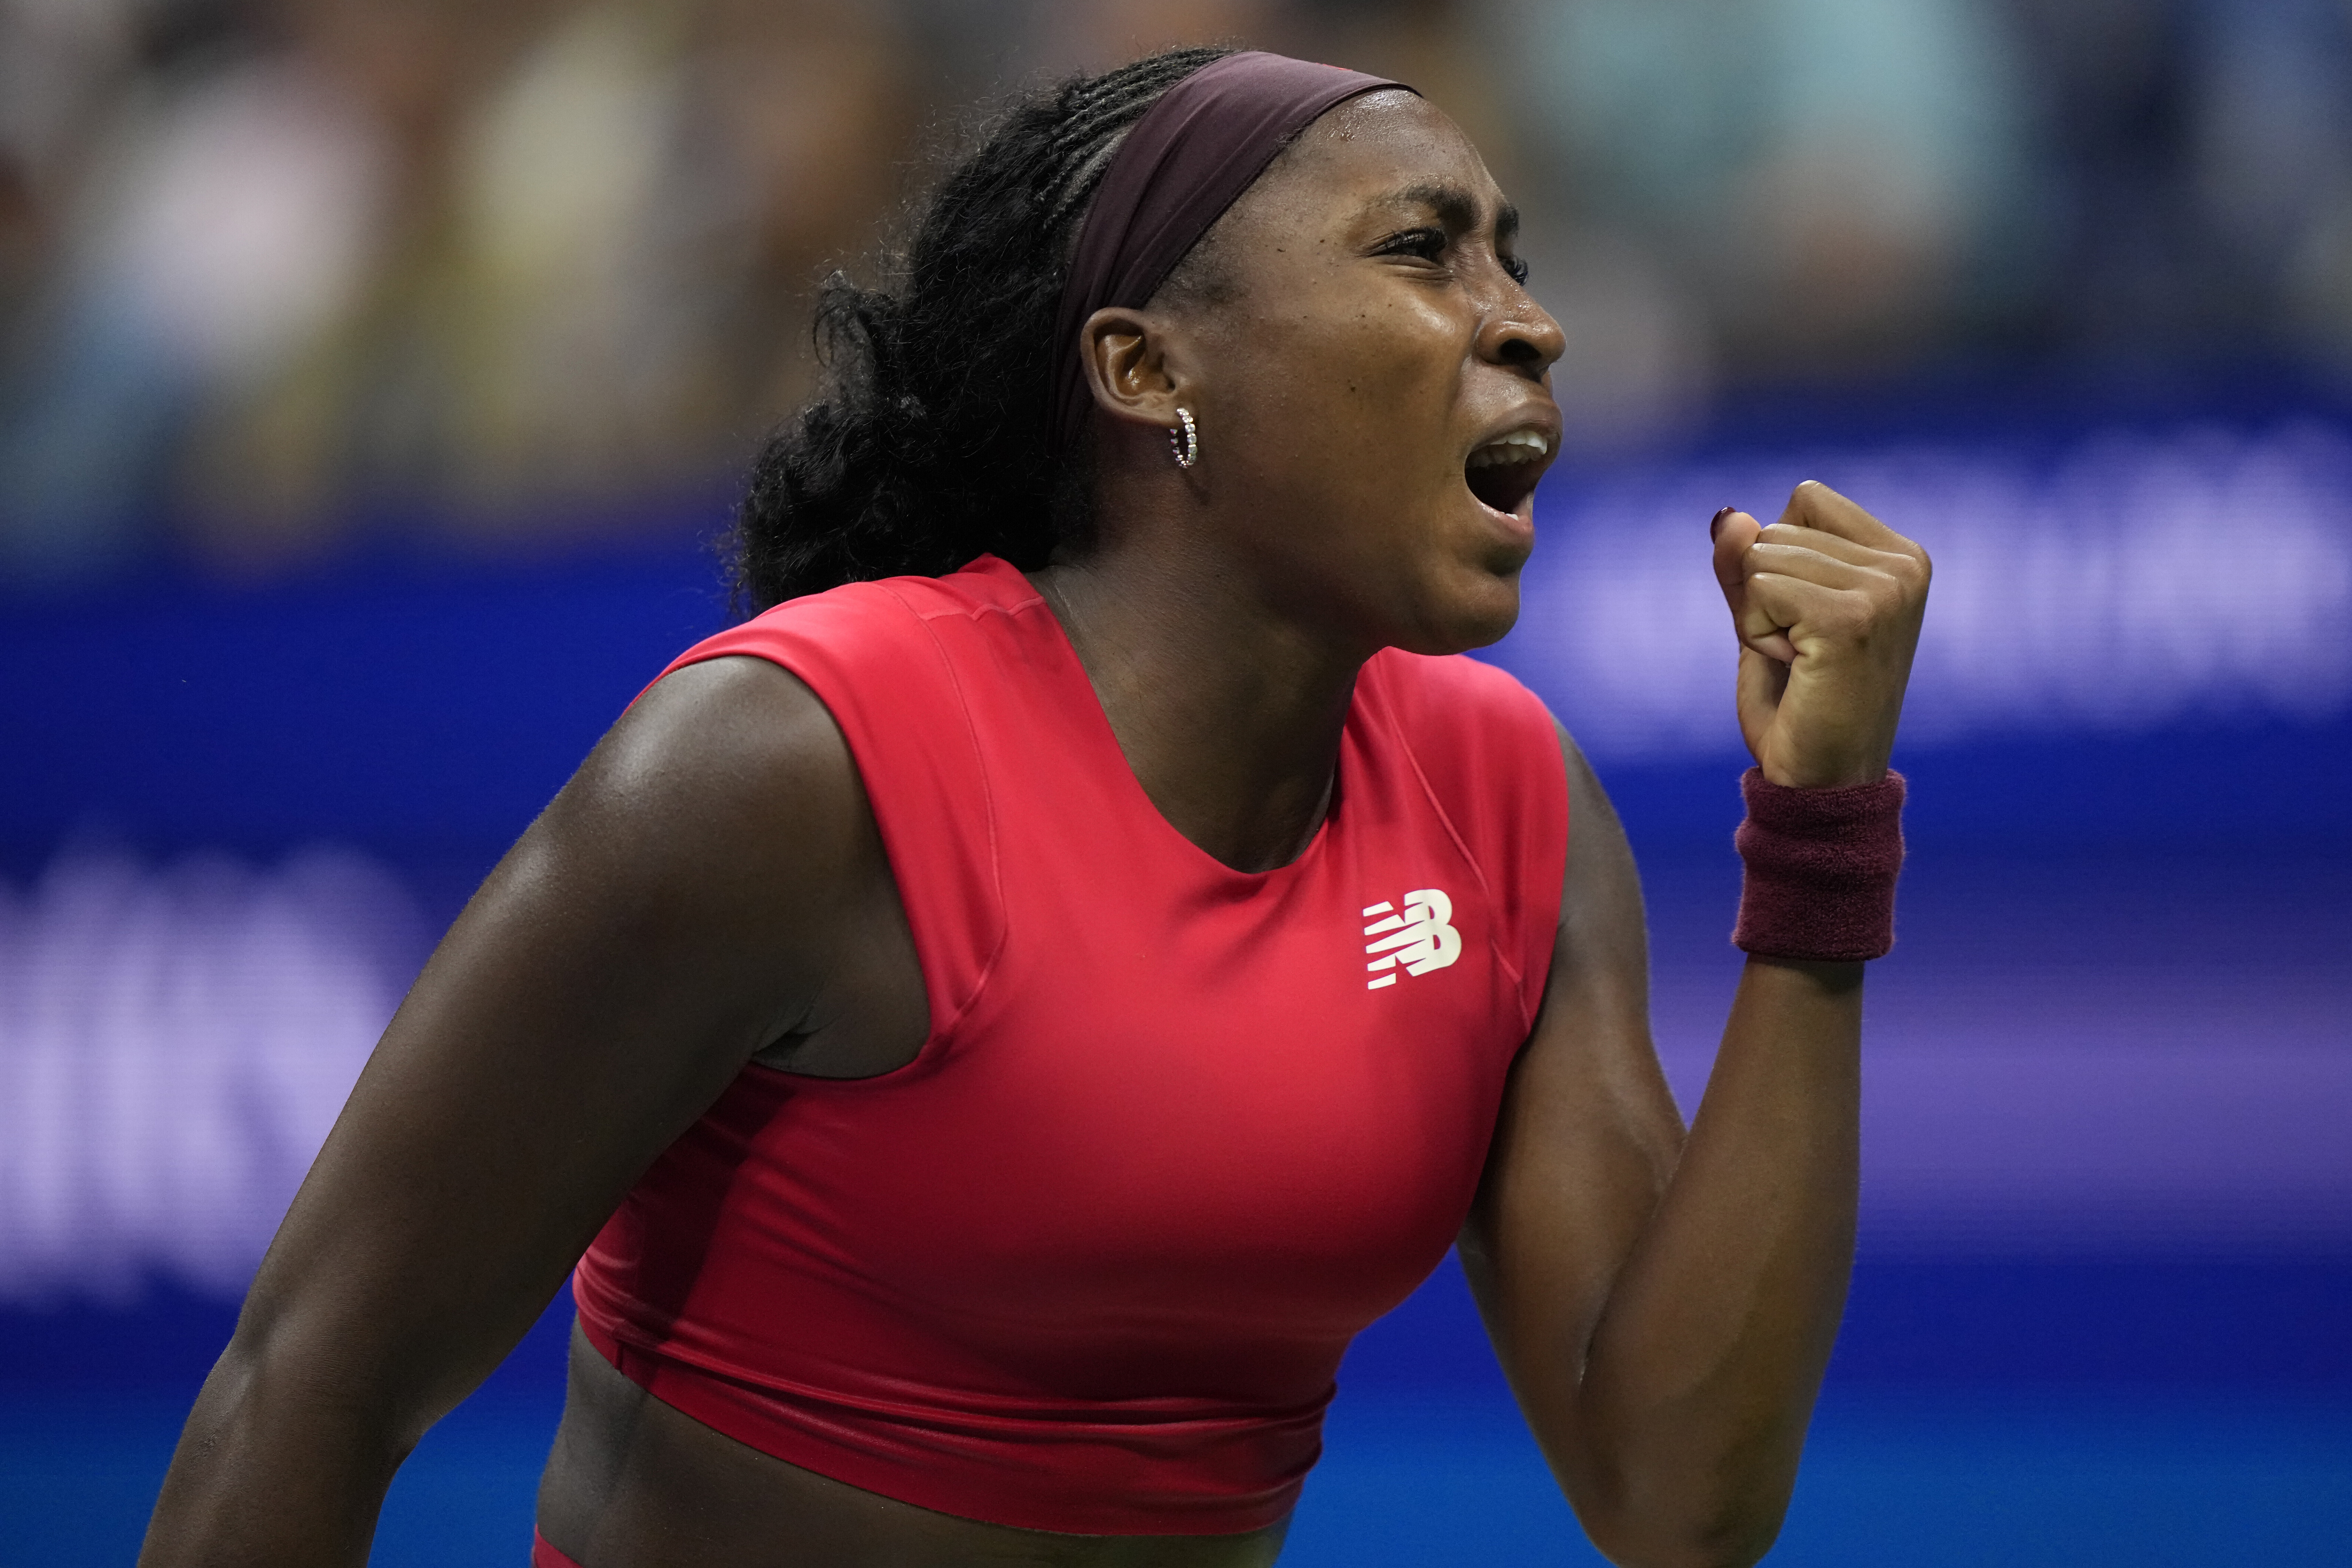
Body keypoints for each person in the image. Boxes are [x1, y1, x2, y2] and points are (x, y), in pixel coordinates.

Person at [138, 46, 1930, 1568]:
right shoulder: (790, 768)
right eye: (1422, 252)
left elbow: (1680, 1496)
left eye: (1511, 260)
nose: (1529, 322)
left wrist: (1819, 834)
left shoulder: (1509, 798)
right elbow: (317, 1375)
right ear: (1150, 372)